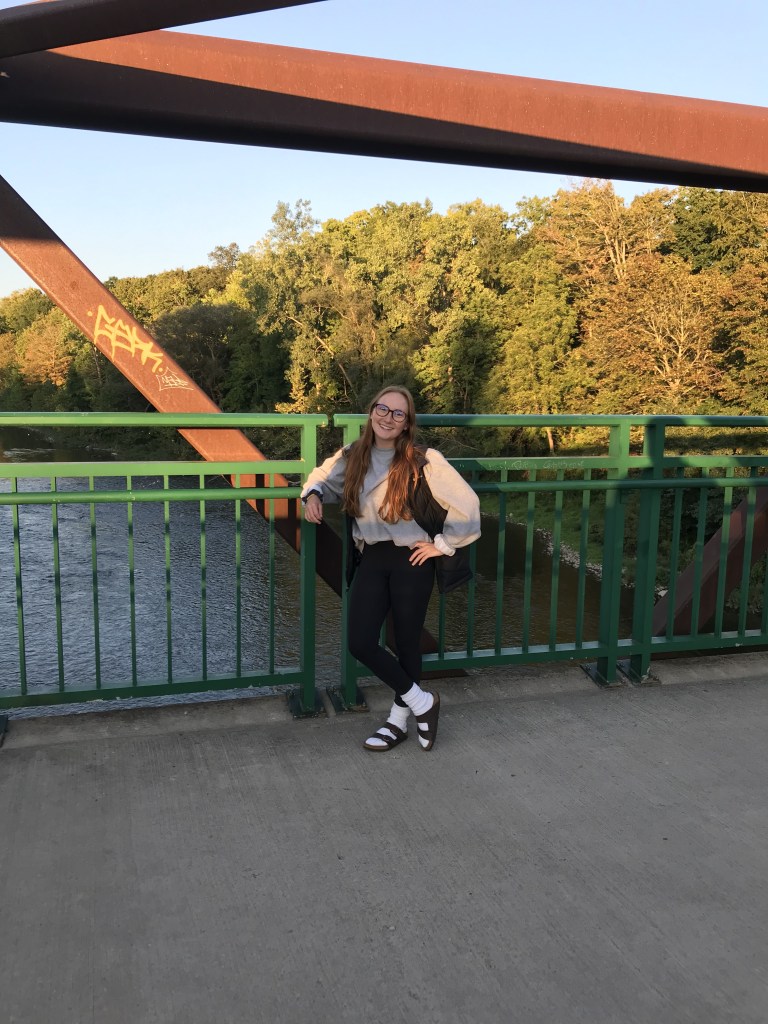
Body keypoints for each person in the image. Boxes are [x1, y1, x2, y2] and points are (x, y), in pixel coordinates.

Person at [301, 385, 481, 752]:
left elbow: (468, 504)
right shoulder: (352, 455)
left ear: (407, 424)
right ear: (372, 412)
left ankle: (397, 722)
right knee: (360, 642)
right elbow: (321, 477)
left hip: (411, 558)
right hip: (371, 557)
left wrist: (442, 545)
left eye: (398, 414)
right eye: (382, 409)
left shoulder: (423, 460)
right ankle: (423, 703)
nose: (388, 418)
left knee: (406, 641)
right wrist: (313, 495)